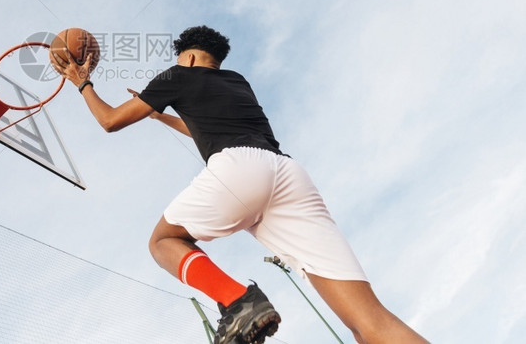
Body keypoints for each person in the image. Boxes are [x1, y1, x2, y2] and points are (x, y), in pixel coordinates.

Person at [52, 25, 429, 344]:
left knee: (163, 241)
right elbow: (203, 127)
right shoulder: (237, 82)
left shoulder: (174, 75)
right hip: (288, 175)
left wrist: (82, 82)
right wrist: (160, 116)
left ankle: (237, 301)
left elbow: (110, 121)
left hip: (238, 169)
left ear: (191, 58)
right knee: (368, 321)